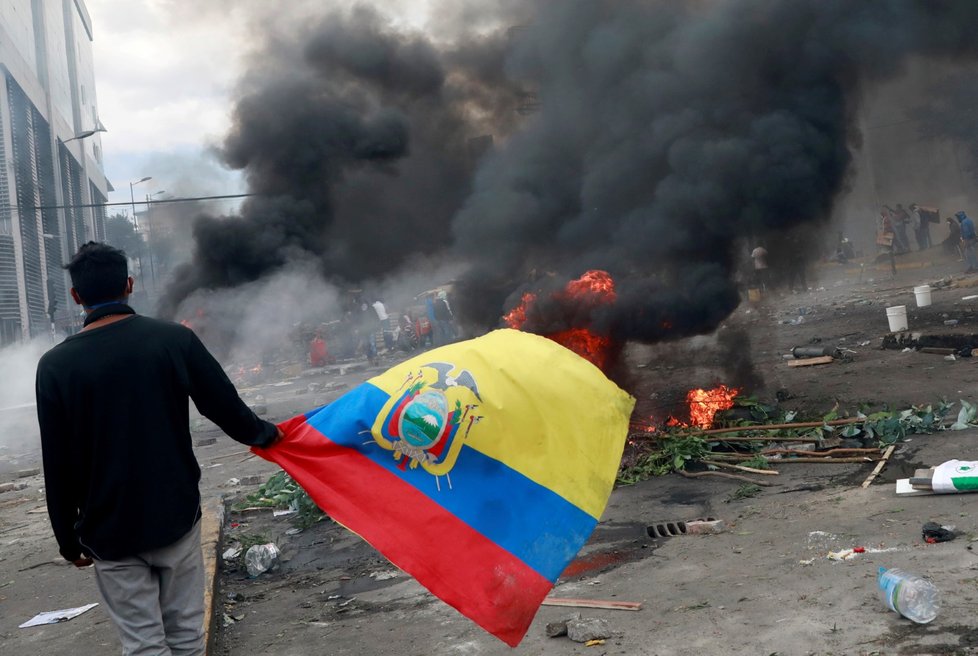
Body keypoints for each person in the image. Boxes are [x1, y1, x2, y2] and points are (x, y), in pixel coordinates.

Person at [35, 242, 282, 656]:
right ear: (129, 285)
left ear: (77, 296)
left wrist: (67, 538)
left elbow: (56, 463)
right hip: (175, 516)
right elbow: (227, 409)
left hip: (108, 530)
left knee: (144, 645)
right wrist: (272, 436)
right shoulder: (173, 340)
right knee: (186, 637)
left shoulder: (55, 366)